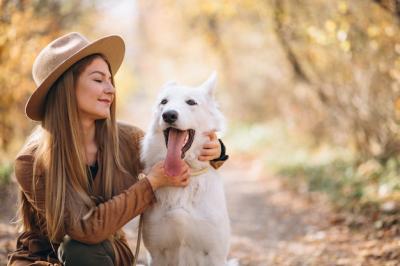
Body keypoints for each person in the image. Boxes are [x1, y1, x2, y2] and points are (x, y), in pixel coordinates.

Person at [7, 32, 228, 266]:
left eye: (110, 80)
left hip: (104, 254)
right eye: (98, 79)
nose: (111, 89)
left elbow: (172, 148)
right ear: (67, 88)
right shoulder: (30, 161)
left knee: (84, 252)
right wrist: (150, 183)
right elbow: (83, 230)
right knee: (79, 247)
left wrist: (217, 149)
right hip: (43, 258)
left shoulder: (127, 139)